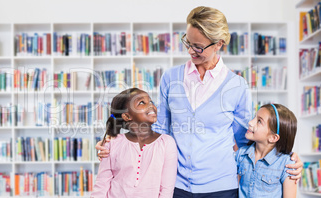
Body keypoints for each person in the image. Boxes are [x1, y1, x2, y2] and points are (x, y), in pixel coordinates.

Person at [96, 6, 303, 198]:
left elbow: (247, 141)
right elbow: (158, 130)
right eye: (188, 42)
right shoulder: (171, 78)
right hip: (176, 184)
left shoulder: (236, 86)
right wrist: (113, 145)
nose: (190, 51)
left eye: (198, 46)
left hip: (221, 187)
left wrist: (284, 158)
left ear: (219, 43)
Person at [91, 88, 178, 198]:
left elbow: (166, 190)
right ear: (127, 116)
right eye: (142, 102)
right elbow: (101, 185)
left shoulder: (167, 143)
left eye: (151, 101)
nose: (151, 105)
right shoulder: (112, 143)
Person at [236, 103, 297, 197]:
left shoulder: (287, 164)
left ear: (273, 138)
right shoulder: (241, 154)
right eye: (254, 117)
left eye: (259, 121)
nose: (250, 122)